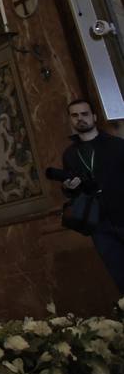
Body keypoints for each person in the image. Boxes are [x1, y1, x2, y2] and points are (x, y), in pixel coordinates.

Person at [63, 98, 124, 291]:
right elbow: (72, 191)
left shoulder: (116, 145)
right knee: (120, 274)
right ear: (70, 120)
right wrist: (69, 187)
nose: (80, 118)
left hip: (123, 213)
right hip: (99, 223)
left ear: (94, 117)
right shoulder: (70, 155)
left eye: (84, 114)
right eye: (75, 115)